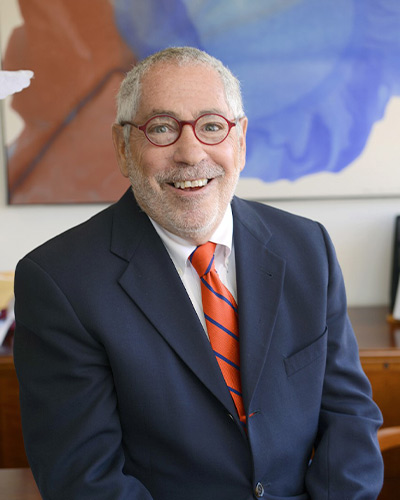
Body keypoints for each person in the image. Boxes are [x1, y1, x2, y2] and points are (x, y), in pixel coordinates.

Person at [14, 46, 383, 500]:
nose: (190, 154)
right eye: (162, 128)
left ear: (240, 141)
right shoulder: (59, 282)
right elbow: (85, 480)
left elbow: (349, 417)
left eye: (212, 126)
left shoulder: (308, 249)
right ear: (123, 148)